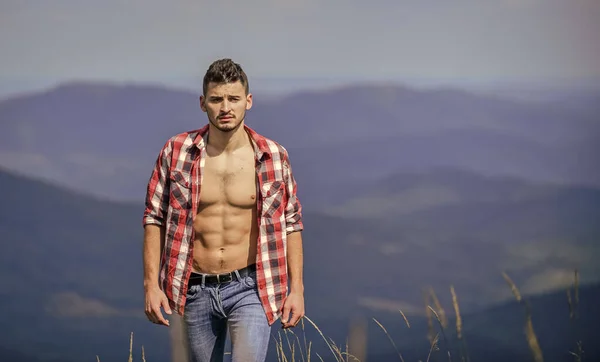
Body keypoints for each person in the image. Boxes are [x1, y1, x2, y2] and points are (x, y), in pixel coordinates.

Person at [141, 58, 305, 362]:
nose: (225, 107)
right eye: (216, 99)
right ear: (203, 103)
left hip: (251, 287)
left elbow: (291, 222)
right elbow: (154, 218)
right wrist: (151, 286)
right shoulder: (176, 151)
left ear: (249, 101)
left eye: (233, 98)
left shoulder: (273, 156)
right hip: (194, 288)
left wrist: (297, 290)